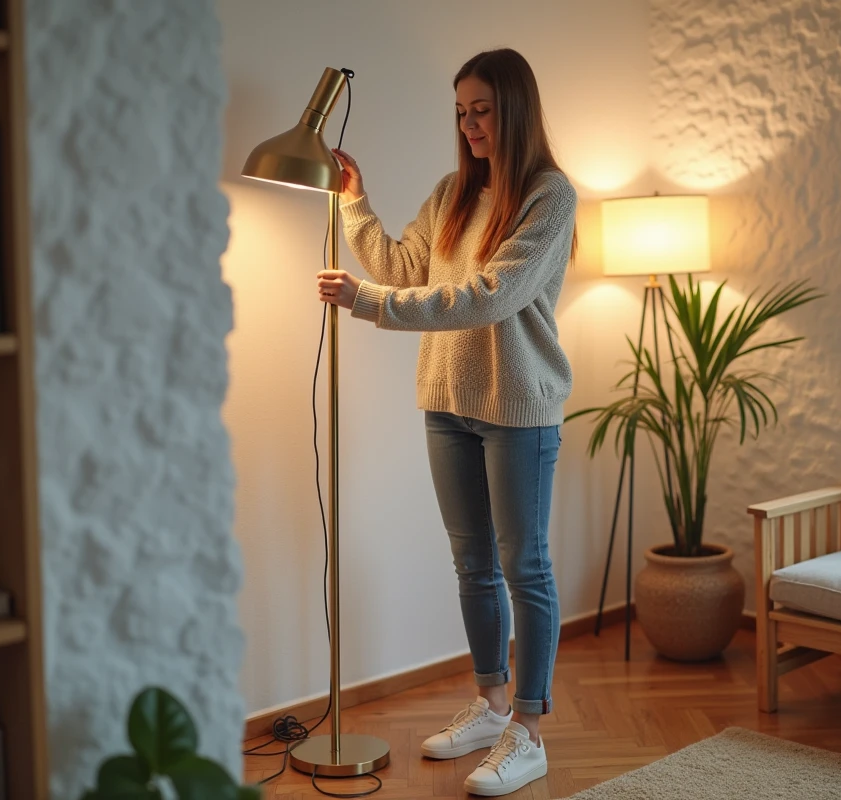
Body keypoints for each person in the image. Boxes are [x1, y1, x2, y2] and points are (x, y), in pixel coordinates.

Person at [317, 47, 576, 797]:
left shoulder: (549, 197)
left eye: (482, 109)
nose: (469, 125)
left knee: (524, 565)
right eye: (461, 111)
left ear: (514, 108)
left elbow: (488, 295)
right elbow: (405, 269)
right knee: (473, 565)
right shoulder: (450, 194)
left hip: (518, 409)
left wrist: (366, 303)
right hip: (446, 402)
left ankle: (530, 731)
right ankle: (492, 705)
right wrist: (353, 203)